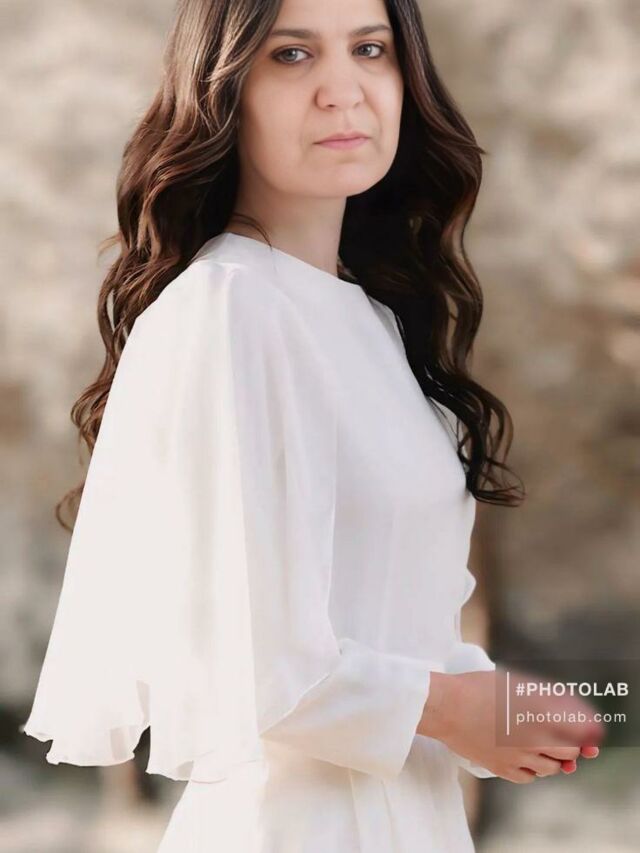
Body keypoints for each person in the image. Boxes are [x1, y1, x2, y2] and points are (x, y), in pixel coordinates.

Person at [20, 0, 601, 850]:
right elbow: (240, 654)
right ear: (223, 91)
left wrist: (505, 705)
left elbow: (390, 618)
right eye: (292, 56)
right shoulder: (226, 308)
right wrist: (450, 707)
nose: (343, 89)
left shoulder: (372, 322)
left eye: (370, 49)